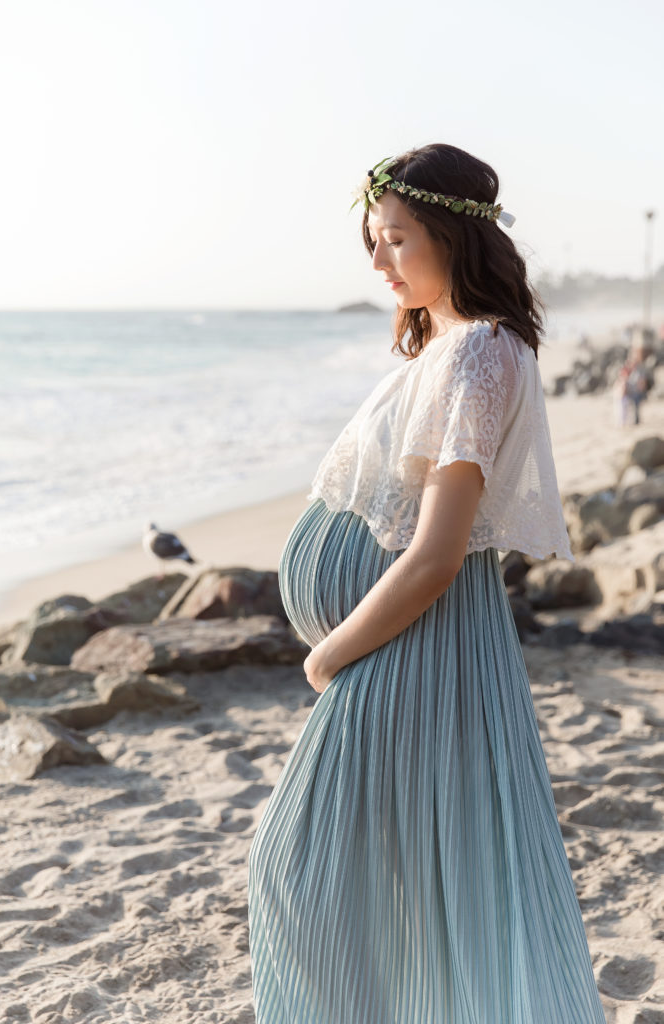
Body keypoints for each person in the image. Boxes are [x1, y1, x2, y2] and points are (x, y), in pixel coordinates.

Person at [247, 142, 607, 1023]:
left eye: (395, 239)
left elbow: (438, 554)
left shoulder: (480, 354)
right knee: (391, 882)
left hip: (412, 646)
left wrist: (329, 653)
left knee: (296, 871)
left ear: (451, 234)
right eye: (372, 240)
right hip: (408, 649)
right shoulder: (450, 350)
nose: (377, 262)